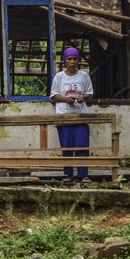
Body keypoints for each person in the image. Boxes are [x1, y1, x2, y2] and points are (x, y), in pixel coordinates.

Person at [50, 46, 93, 182]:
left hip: (80, 115)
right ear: (64, 61)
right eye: (69, 59)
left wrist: (82, 98)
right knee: (67, 146)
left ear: (78, 60)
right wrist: (65, 99)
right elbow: (53, 95)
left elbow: (89, 93)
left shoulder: (84, 76)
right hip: (64, 115)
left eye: (75, 59)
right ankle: (68, 174)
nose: (72, 61)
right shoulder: (59, 77)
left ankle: (83, 175)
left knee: (82, 145)